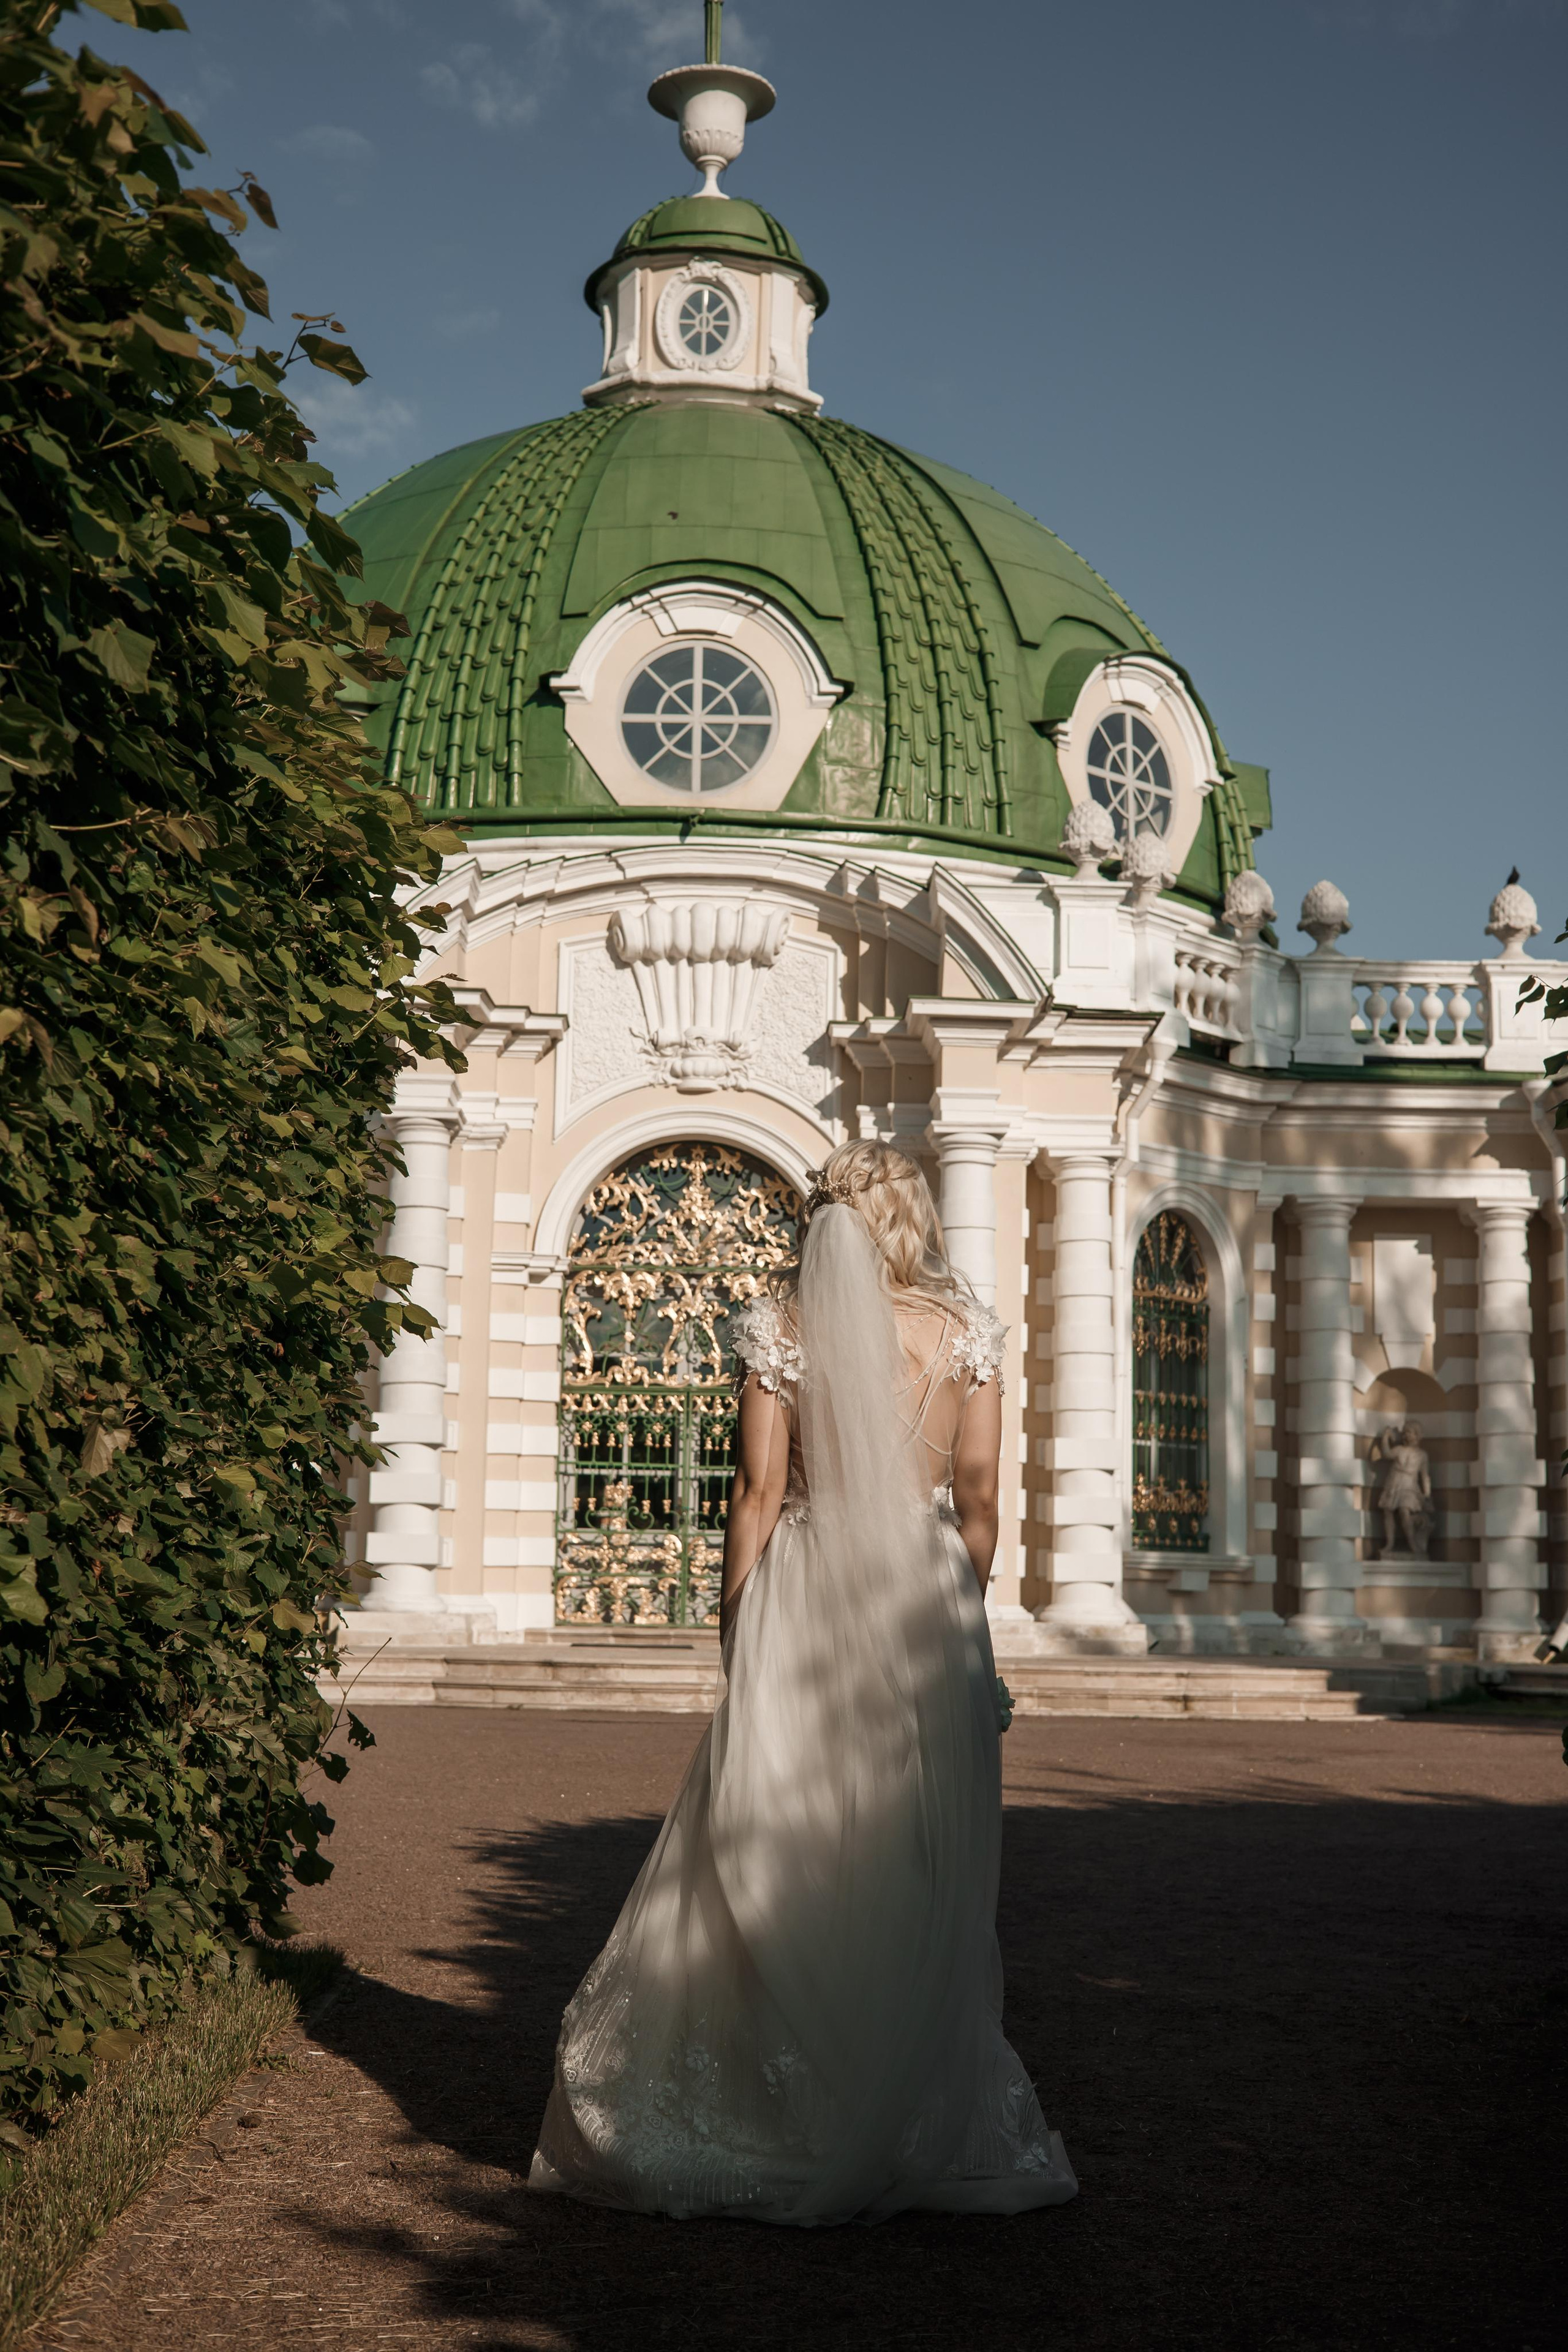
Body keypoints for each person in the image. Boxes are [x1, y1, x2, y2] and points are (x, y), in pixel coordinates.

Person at [529, 1142, 1077, 2224]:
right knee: (912, 1847)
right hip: (922, 1599)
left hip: (810, 1587)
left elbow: (756, 1491)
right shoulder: (964, 1334)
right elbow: (979, 1507)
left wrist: (737, 1620)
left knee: (770, 1834)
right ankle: (910, 2098)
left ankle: (776, 2093)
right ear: (912, 1215)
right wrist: (954, 1611)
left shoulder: (784, 1327)